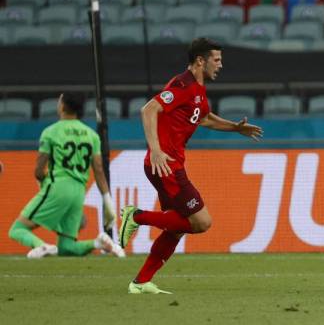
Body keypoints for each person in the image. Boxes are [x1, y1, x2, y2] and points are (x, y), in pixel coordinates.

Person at [119, 38, 263, 295]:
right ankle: (136, 216)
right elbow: (149, 109)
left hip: (170, 166)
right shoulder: (182, 85)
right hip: (166, 166)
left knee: (175, 229)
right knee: (202, 222)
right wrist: (156, 150)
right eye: (216, 60)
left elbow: (204, 117)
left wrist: (235, 127)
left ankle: (140, 282)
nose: (220, 65)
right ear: (200, 60)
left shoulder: (198, 89)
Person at [7, 93, 124, 259]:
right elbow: (98, 169)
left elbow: (39, 170)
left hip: (57, 186)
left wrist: (44, 184)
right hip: (78, 192)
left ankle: (41, 246)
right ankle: (99, 243)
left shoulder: (51, 132)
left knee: (17, 229)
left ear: (62, 106)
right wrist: (107, 200)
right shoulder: (91, 135)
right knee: (66, 248)